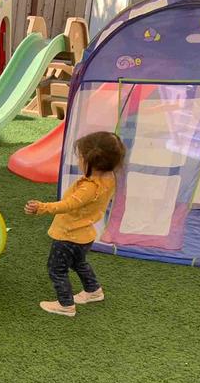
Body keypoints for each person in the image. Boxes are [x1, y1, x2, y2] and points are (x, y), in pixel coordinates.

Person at [25, 131, 126, 317]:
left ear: (90, 161)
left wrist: (41, 207)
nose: (79, 160)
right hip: (84, 235)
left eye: (80, 157)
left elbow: (68, 205)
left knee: (56, 269)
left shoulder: (90, 187)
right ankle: (93, 291)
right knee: (79, 263)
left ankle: (65, 305)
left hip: (69, 236)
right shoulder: (109, 177)